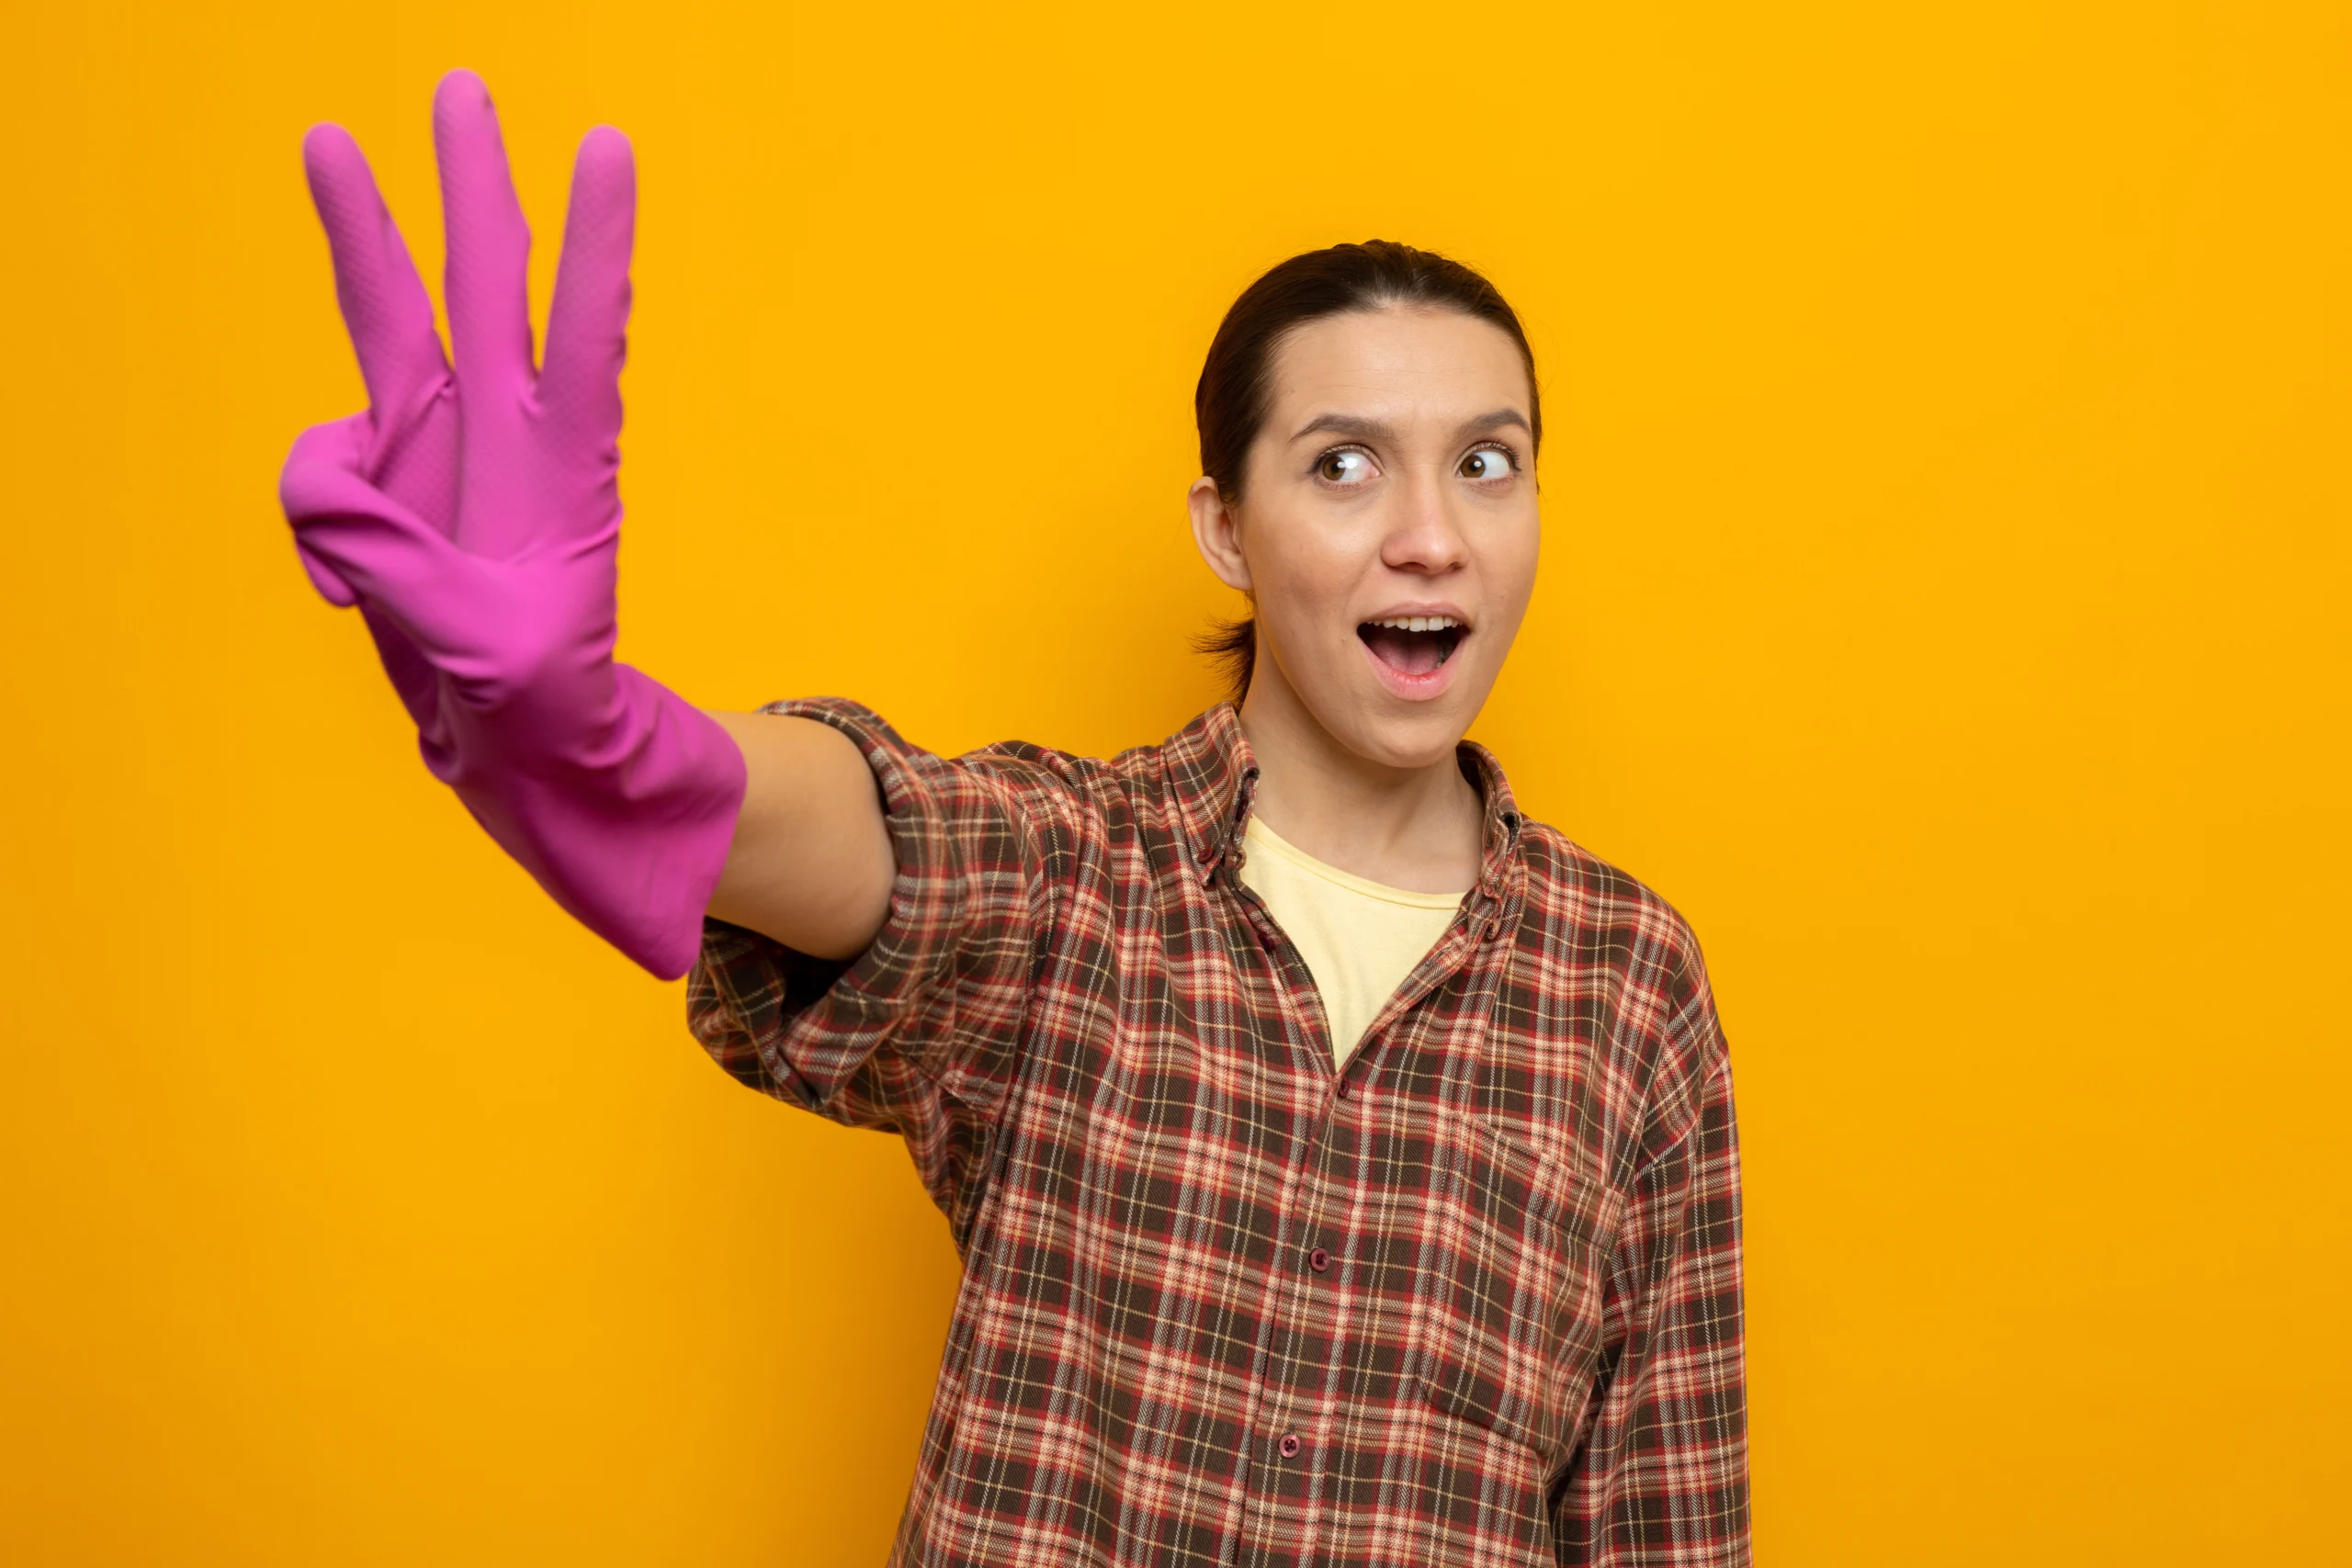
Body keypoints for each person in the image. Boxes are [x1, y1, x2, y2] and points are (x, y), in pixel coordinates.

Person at [281, 69, 1749, 1568]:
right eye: (1344, 465)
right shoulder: (1077, 873)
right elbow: (876, 826)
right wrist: (608, 745)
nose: (1431, 534)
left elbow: (1667, 1528)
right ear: (1225, 529)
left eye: (1486, 464)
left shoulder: (1627, 984)